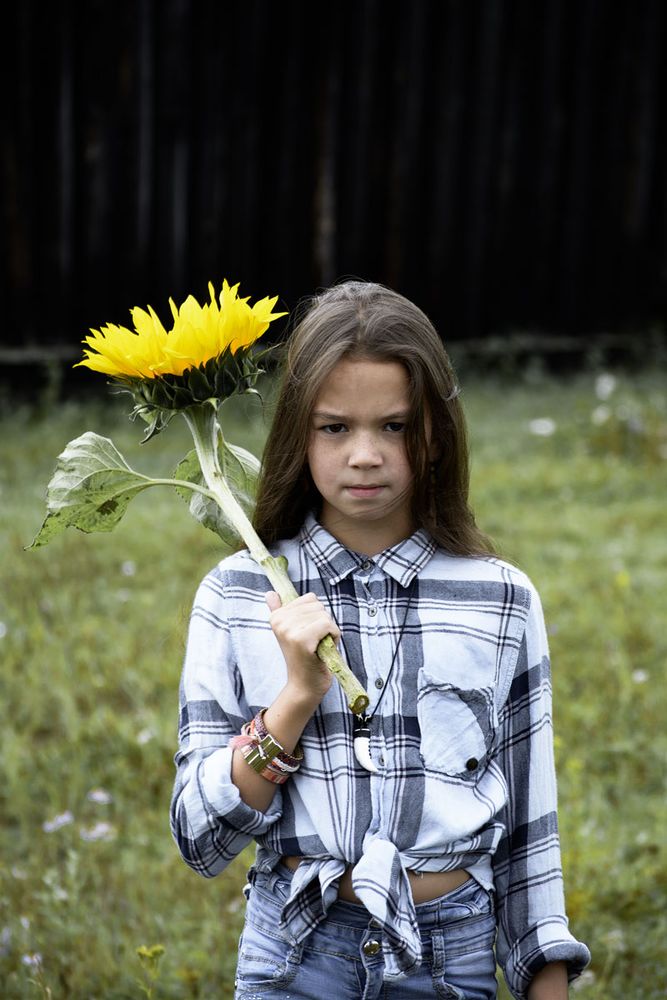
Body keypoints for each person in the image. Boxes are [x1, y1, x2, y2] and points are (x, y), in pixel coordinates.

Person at [170, 280, 590, 999]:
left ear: (434, 434)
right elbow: (201, 838)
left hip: (448, 961)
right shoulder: (238, 594)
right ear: (296, 433)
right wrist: (296, 697)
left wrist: (545, 982)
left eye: (393, 426)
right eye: (334, 427)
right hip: (295, 957)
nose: (364, 455)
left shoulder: (500, 598)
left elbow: (528, 831)